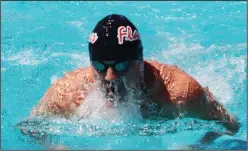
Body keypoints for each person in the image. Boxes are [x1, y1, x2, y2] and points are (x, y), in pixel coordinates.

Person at [22, 14, 239, 146]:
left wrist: (198, 146)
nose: (109, 77)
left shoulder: (179, 94)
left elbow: (230, 124)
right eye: (99, 66)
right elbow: (29, 126)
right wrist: (57, 148)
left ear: (140, 61)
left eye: (121, 66)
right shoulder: (69, 93)